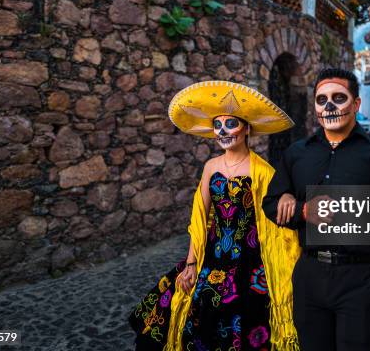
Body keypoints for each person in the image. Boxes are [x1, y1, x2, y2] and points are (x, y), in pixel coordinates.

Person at [262, 68, 370, 351]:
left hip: (360, 281)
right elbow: (271, 203)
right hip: (309, 277)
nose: (329, 106)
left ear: (355, 104)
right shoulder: (296, 154)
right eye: (321, 99)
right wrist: (302, 211)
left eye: (338, 98)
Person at [128, 81, 301, 350]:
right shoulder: (210, 167)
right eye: (217, 125)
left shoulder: (264, 172)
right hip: (213, 257)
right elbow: (199, 218)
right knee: (199, 315)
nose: (222, 131)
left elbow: (274, 221)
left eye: (230, 124)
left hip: (250, 261)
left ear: (246, 128)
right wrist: (191, 263)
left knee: (247, 318)